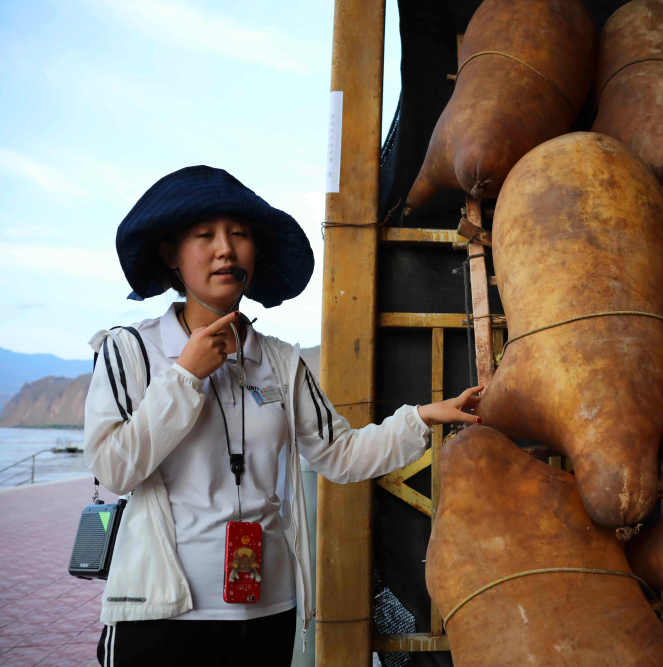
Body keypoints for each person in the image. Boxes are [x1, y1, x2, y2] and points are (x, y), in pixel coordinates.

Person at [83, 165, 482, 666]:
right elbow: (114, 469)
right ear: (171, 255)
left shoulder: (279, 361)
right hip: (160, 616)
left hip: (266, 609)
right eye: (205, 236)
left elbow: (339, 454)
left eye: (239, 235)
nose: (225, 249)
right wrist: (185, 376)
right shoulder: (131, 350)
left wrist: (422, 417)